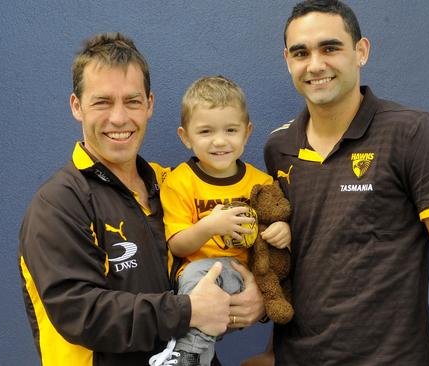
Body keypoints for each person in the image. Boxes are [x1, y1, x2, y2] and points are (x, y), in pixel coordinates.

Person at [262, 1, 429, 365]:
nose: (316, 64)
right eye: (301, 53)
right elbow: (292, 260)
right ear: (288, 60)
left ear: (361, 52)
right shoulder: (279, 147)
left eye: (330, 48)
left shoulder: (411, 132)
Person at [18, 33, 264, 366]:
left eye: (132, 101)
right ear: (77, 106)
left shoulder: (171, 184)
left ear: (149, 104)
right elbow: (82, 313)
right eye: (102, 101)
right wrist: (188, 311)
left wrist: (254, 300)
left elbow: (215, 266)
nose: (119, 118)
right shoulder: (59, 204)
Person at [156, 76, 290, 365]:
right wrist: (209, 227)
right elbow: (177, 246)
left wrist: (282, 231)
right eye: (205, 131)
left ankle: (187, 355)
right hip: (195, 285)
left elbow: (275, 219)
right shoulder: (180, 182)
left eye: (231, 130)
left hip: (245, 281)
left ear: (246, 132)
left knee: (197, 321)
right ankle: (191, 353)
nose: (220, 141)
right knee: (197, 279)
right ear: (185, 136)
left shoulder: (261, 183)